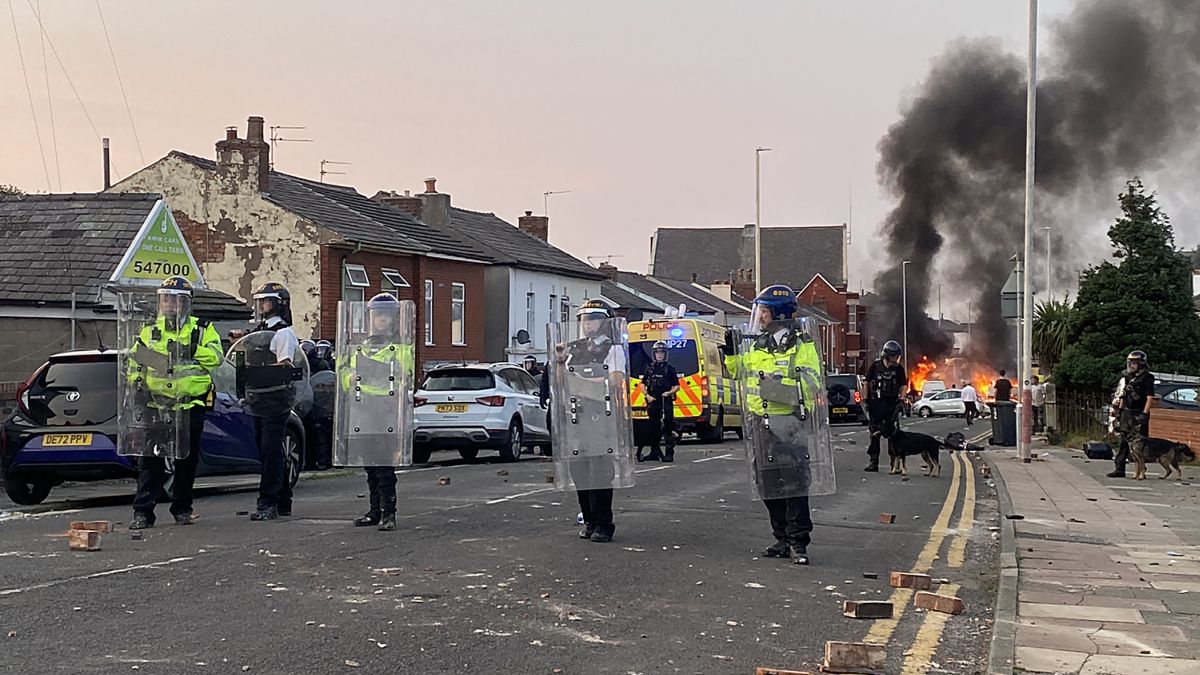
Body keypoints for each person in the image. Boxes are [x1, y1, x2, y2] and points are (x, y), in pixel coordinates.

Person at [722, 285, 822, 565]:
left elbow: (811, 382)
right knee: (767, 482)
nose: (760, 317)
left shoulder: (802, 345)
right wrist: (731, 353)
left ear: (778, 314)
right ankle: (781, 537)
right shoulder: (758, 344)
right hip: (760, 423)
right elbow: (739, 373)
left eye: (764, 311)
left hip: (789, 422)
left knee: (794, 483)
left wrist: (775, 388)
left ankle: (798, 541)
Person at [128, 277, 224, 529]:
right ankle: (143, 512)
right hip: (156, 406)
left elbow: (216, 358)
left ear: (185, 303)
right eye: (165, 298)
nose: (169, 304)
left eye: (174, 299)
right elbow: (136, 363)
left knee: (186, 462)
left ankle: (182, 508)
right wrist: (138, 386)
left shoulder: (201, 329)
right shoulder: (149, 330)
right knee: (151, 461)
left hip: (190, 405)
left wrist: (192, 349)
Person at [552, 298, 627, 543]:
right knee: (579, 473)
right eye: (585, 319)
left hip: (601, 415)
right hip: (576, 415)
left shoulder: (613, 348)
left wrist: (582, 384)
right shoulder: (574, 349)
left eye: (594, 319)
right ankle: (590, 519)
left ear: (605, 322)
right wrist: (561, 363)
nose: (588, 324)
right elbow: (562, 382)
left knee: (600, 473)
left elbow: (614, 380)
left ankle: (604, 524)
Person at [342, 293, 414, 531]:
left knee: (384, 464)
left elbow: (406, 376)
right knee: (370, 464)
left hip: (386, 410)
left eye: (385, 316)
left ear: (393, 319)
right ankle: (374, 510)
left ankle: (389, 513)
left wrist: (395, 377)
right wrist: (349, 379)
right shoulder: (361, 348)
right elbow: (346, 377)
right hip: (364, 409)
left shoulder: (400, 348)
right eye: (376, 315)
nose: (380, 320)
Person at [246, 281, 301, 521]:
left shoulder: (282, 332)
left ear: (278, 304)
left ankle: (267, 501)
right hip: (259, 397)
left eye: (266, 301)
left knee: (271, 450)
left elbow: (285, 364)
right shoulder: (260, 330)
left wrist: (260, 371)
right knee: (269, 450)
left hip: (276, 398)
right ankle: (283, 498)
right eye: (259, 301)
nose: (261, 306)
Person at [1108, 351, 1155, 479]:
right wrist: (1120, 411)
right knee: (1124, 441)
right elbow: (1124, 395)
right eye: (1130, 363)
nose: (1131, 365)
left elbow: (1150, 397)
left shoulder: (1147, 378)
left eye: (1134, 363)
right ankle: (1119, 468)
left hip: (1139, 412)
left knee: (1140, 442)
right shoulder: (1128, 377)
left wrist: (1145, 413)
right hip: (1127, 412)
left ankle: (1141, 469)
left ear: (1141, 364)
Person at [864, 340, 908, 472]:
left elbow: (904, 385)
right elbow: (866, 382)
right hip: (876, 404)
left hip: (892, 405)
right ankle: (873, 462)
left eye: (897, 356)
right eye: (894, 356)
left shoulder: (899, 369)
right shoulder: (875, 367)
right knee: (875, 434)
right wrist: (865, 399)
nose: (896, 359)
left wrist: (902, 400)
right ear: (887, 355)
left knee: (893, 435)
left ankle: (894, 464)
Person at [635, 340, 681, 462]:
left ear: (665, 354)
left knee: (667, 427)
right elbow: (642, 384)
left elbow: (677, 386)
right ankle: (654, 452)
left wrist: (669, 393)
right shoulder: (649, 369)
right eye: (657, 353)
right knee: (653, 428)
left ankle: (669, 453)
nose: (659, 355)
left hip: (665, 401)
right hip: (653, 401)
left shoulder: (670, 369)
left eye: (662, 353)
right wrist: (647, 396)